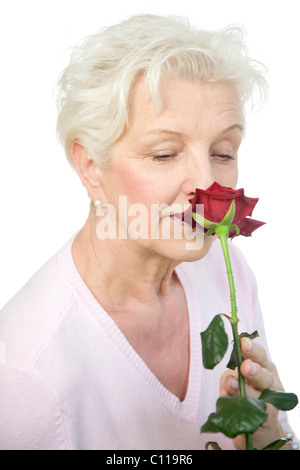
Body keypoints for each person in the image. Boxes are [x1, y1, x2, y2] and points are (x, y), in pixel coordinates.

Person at [0, 14, 297, 450]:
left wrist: (273, 437)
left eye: (222, 151)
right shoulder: (27, 378)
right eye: (164, 154)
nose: (205, 183)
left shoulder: (224, 267)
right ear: (89, 167)